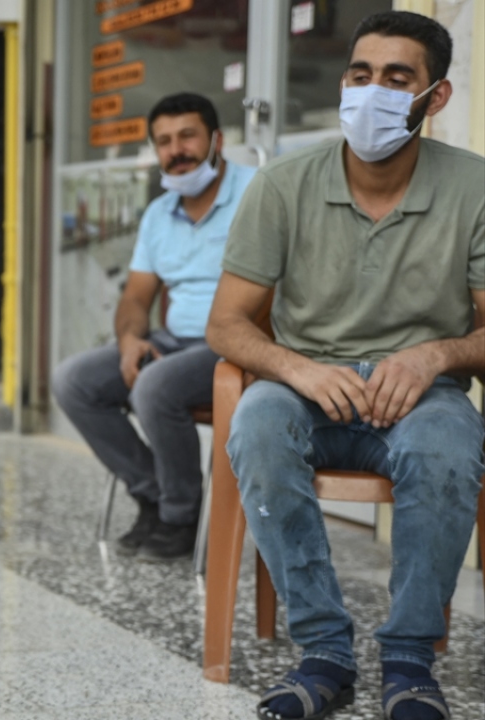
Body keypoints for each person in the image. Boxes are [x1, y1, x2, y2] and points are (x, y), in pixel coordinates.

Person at [207, 12, 483, 720]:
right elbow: (227, 324)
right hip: (309, 388)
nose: (374, 93)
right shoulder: (282, 185)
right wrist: (295, 369)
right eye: (361, 75)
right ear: (342, 84)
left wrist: (437, 354)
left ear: (437, 96)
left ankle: (409, 662)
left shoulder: (475, 188)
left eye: (398, 78)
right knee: (258, 423)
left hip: (423, 396)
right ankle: (324, 649)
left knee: (449, 446)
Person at [52, 93, 257, 561]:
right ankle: (154, 493)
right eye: (163, 141)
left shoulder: (258, 192)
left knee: (154, 386)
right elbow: (136, 297)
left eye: (187, 136)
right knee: (74, 381)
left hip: (238, 341)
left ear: (217, 140)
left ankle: (180, 516)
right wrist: (130, 340)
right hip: (175, 339)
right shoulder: (158, 214)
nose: (176, 150)